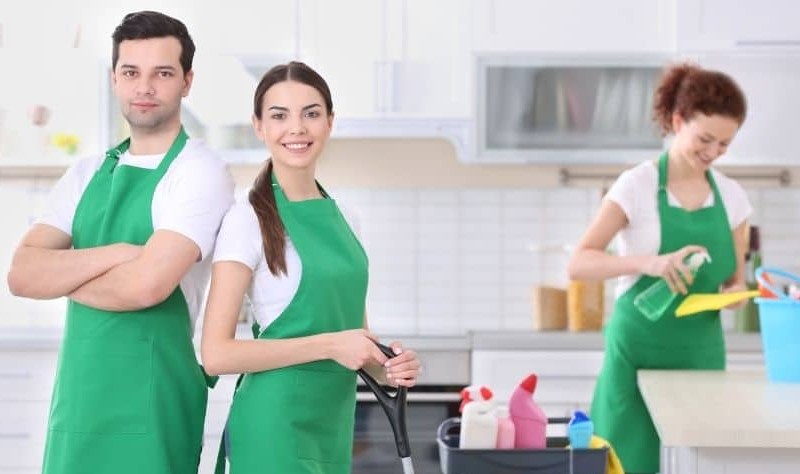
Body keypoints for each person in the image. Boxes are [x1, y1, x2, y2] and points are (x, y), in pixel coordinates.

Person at [6, 11, 234, 474]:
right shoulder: (86, 173)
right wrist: (118, 254)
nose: (144, 87)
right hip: (79, 400)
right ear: (115, 79)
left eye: (162, 73)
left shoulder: (200, 171)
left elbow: (146, 288)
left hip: (153, 406)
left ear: (187, 81)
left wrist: (62, 274)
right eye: (131, 72)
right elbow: (21, 275)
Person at [201, 61, 421, 474]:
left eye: (311, 113)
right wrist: (331, 346)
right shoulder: (247, 219)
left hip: (332, 425)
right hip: (274, 426)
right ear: (259, 126)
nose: (296, 128)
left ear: (330, 122)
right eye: (279, 116)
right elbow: (215, 354)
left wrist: (391, 368)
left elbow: (357, 338)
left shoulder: (345, 217)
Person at [567, 63, 751, 474]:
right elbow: (579, 263)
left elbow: (734, 280)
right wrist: (650, 263)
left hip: (700, 360)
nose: (713, 152)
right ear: (678, 120)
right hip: (635, 356)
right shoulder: (637, 185)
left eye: (724, 144)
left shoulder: (734, 198)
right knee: (627, 463)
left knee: (698, 465)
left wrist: (736, 295)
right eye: (705, 139)